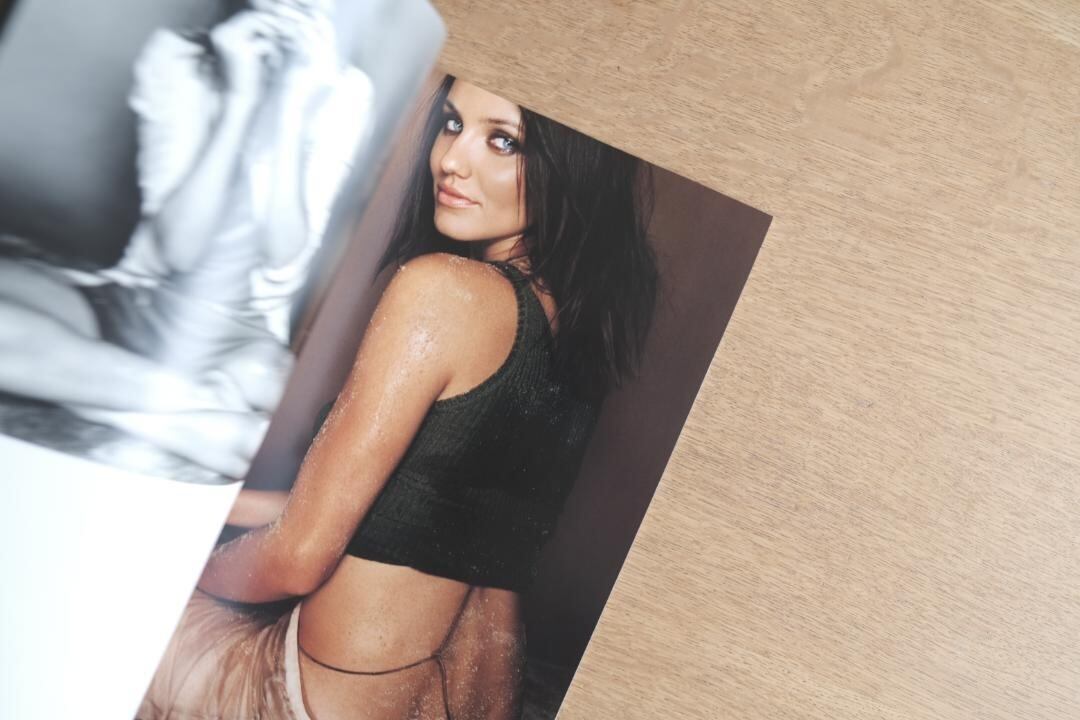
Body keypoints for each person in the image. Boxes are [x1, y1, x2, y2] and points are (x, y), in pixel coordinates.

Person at [137, 77, 659, 720]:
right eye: (452, 123)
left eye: (503, 141)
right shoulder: (576, 336)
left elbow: (296, 557)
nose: (451, 160)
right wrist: (212, 505)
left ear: (576, 164)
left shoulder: (444, 290)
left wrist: (179, 569)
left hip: (315, 698)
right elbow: (408, 520)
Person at [0, 0, 373, 477]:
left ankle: (104, 396)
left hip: (240, 331)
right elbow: (180, 251)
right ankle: (190, 404)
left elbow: (285, 253)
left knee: (291, 421)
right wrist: (240, 100)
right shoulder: (179, 58)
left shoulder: (345, 90)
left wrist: (291, 108)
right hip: (132, 296)